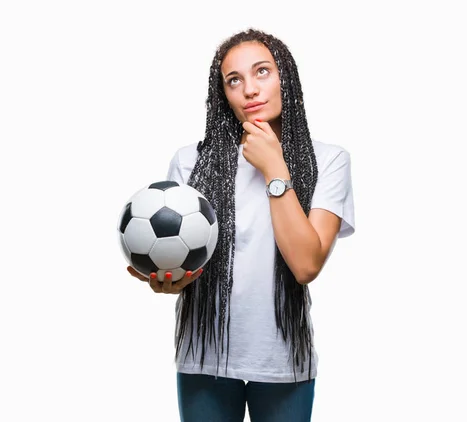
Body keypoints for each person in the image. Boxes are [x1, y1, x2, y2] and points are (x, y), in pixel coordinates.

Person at [127, 28, 355, 422]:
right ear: (224, 96)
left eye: (262, 72)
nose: (250, 89)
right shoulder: (190, 162)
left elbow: (306, 265)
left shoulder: (329, 160)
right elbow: (184, 257)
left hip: (282, 360)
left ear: (287, 77)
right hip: (205, 358)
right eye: (235, 80)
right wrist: (173, 279)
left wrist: (274, 167)